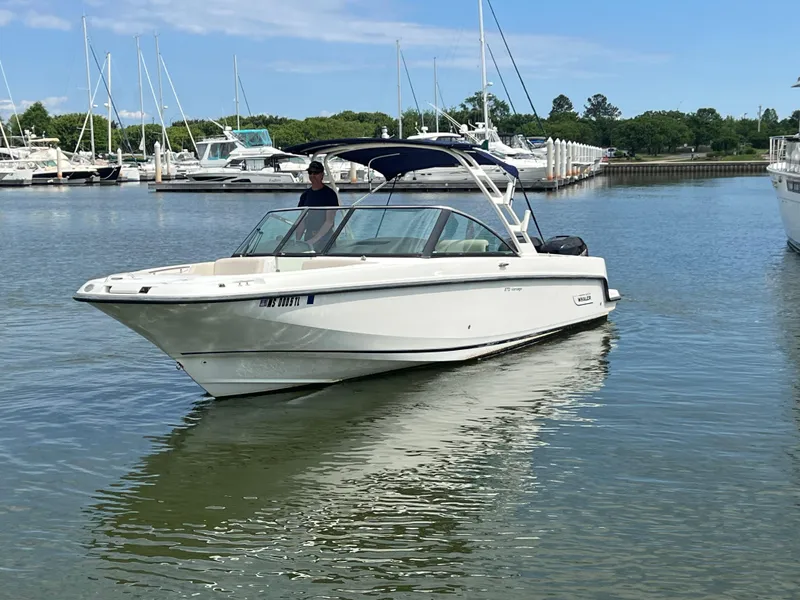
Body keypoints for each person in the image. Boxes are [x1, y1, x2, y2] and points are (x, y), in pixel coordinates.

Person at [295, 160, 339, 250]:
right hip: (308, 235)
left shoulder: (329, 194)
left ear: (322, 174)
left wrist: (314, 240)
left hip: (325, 238)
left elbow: (329, 221)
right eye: (310, 172)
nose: (312, 175)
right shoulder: (305, 195)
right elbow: (302, 220)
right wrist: (297, 241)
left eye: (316, 173)